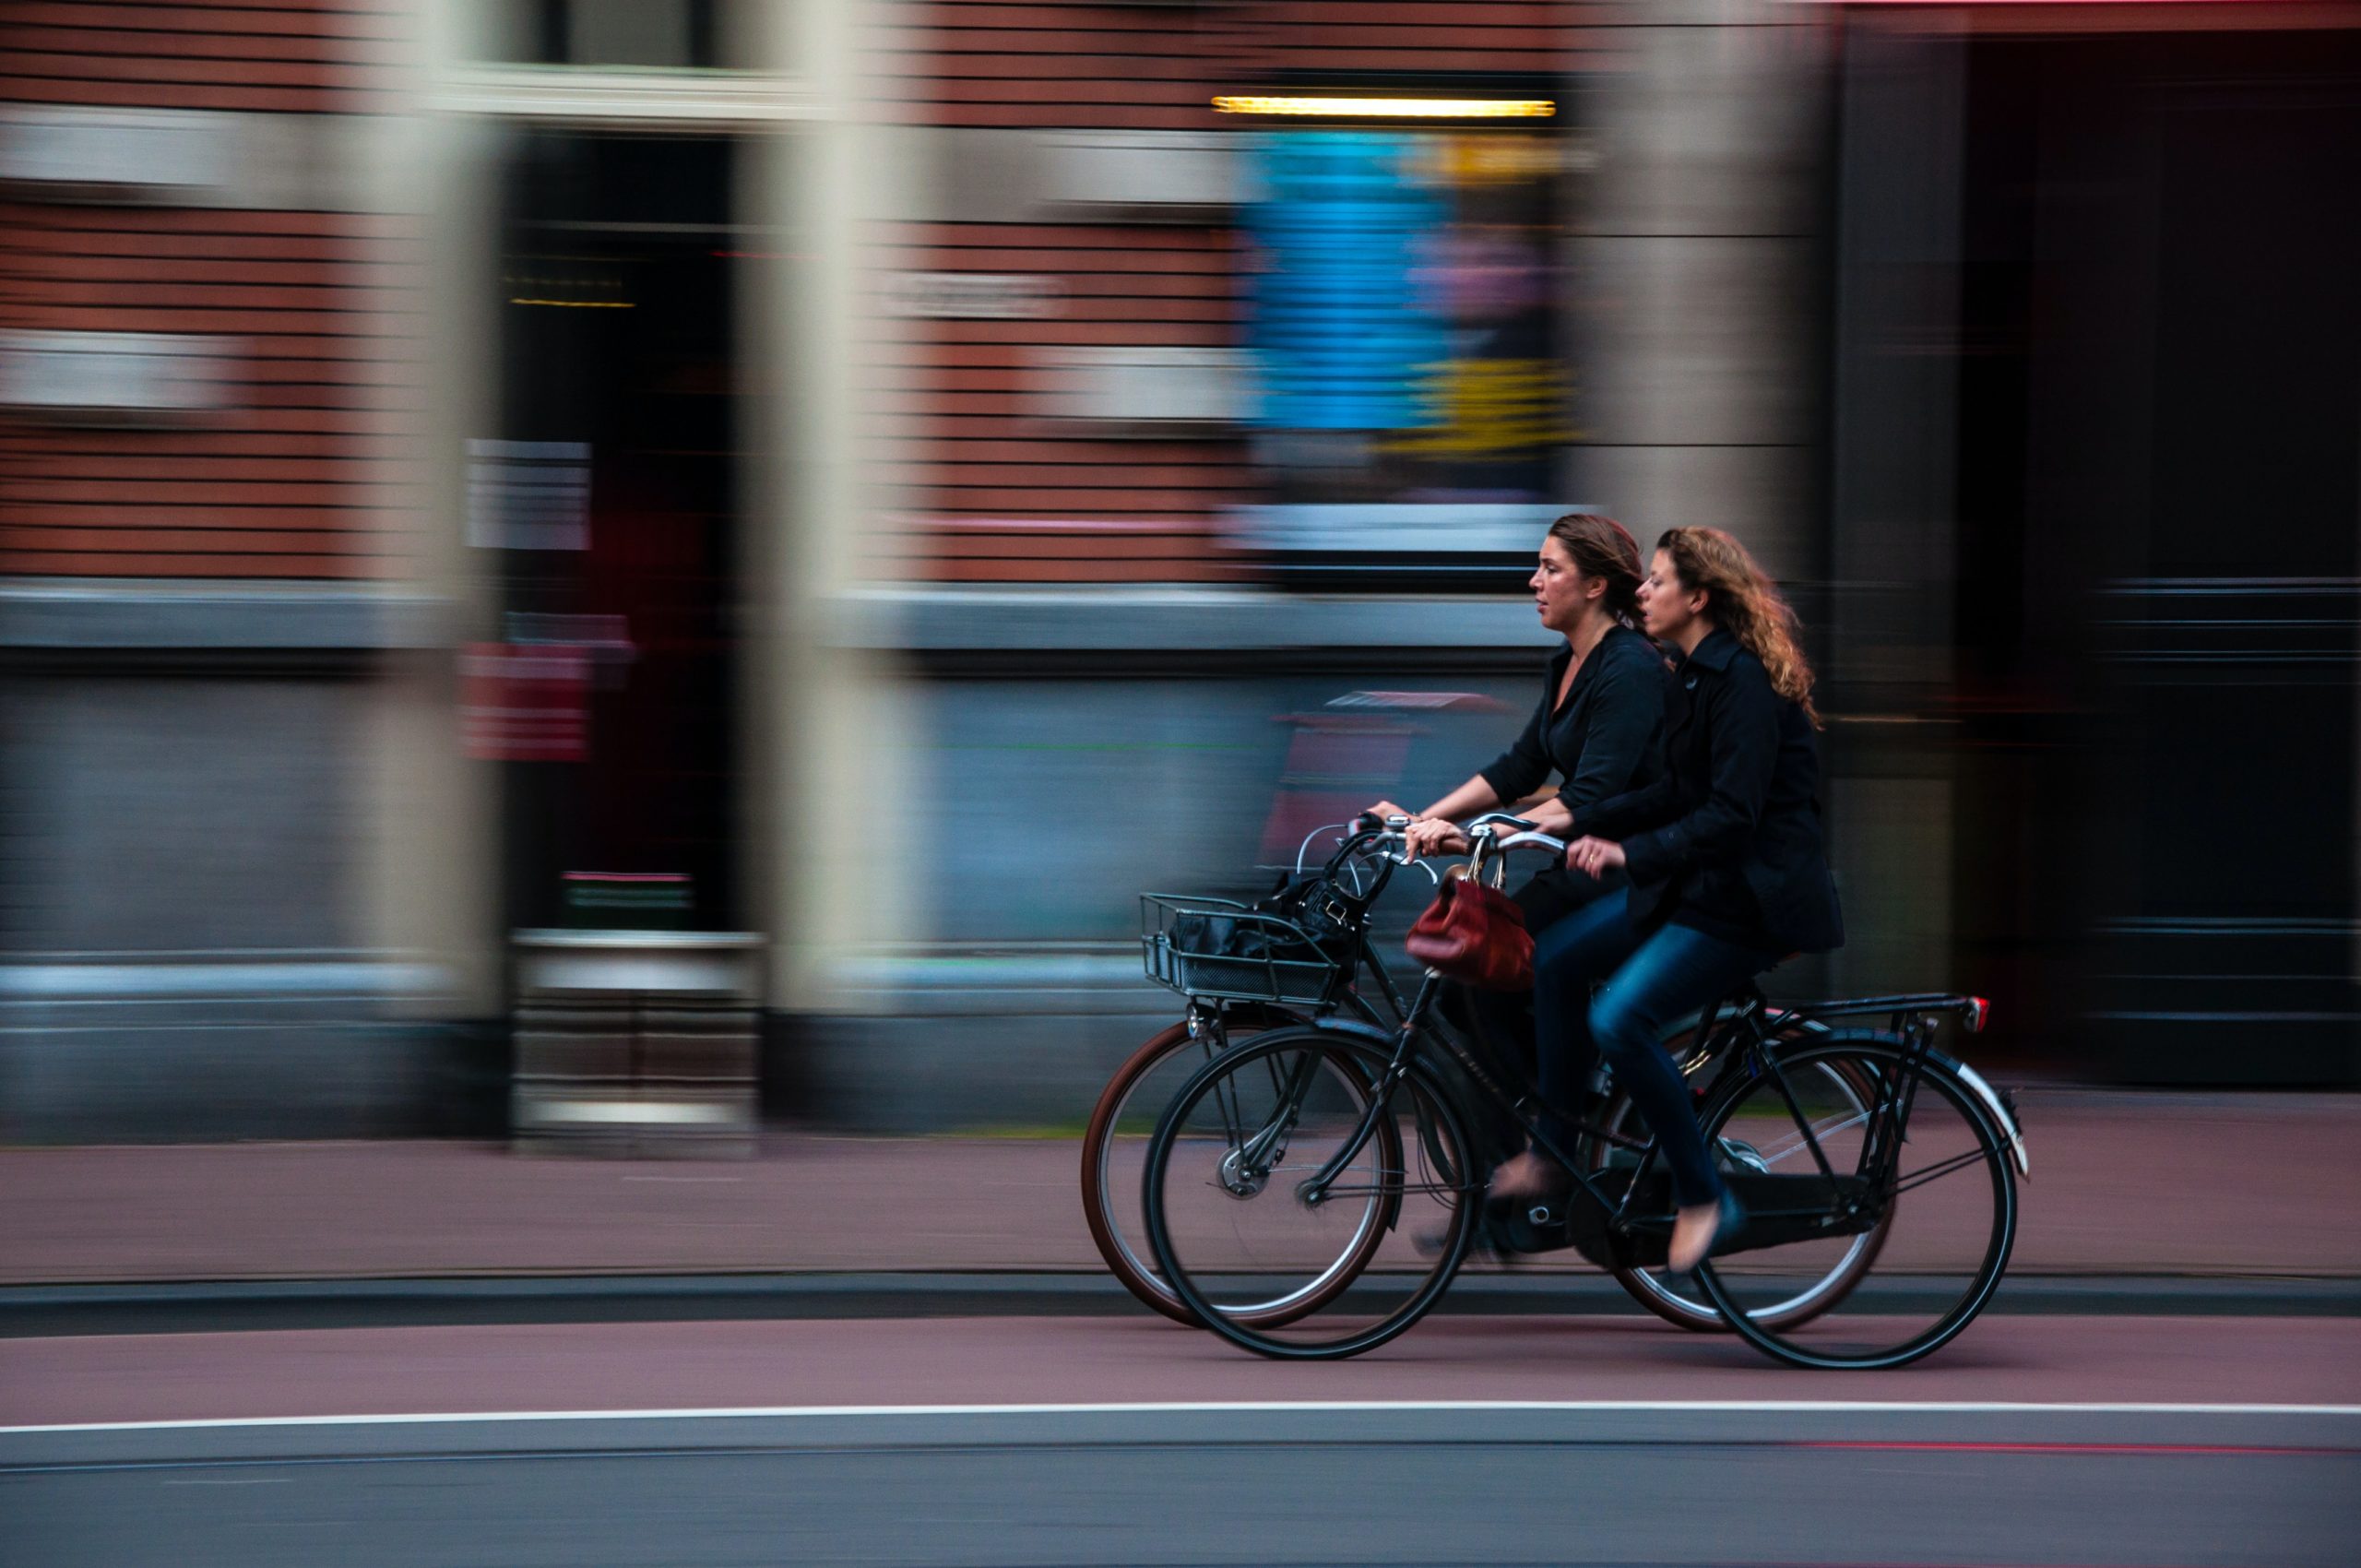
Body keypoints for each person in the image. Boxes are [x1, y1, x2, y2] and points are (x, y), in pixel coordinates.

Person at [1500, 526, 1845, 1274]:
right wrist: (1578, 820)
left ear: (1699, 597)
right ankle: (1555, 1152)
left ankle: (1706, 1196)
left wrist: (1627, 851)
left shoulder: (1743, 681)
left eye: (1656, 582)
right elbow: (1673, 790)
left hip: (1749, 903)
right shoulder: (1690, 673)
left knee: (1619, 1019)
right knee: (1554, 960)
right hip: (1697, 887)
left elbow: (1731, 815)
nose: (1643, 593)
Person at [1367, 513, 1670, 1087]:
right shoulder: (1567, 663)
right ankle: (1572, 1108)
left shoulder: (1630, 668)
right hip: (1578, 867)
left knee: (1483, 978)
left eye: (1550, 569)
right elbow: (1521, 766)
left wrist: (1488, 832)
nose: (1534, 581)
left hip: (1625, 872)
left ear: (1595, 585)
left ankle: (1559, 1131)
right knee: (1474, 990)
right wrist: (1421, 820)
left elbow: (1592, 794)